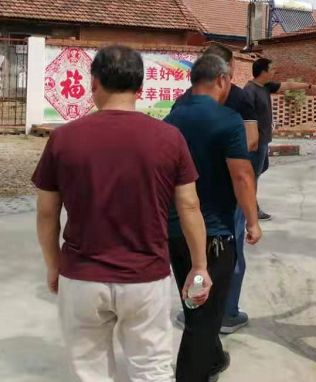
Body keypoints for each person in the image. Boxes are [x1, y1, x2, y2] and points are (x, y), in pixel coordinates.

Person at [33, 45, 211, 382]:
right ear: (141, 87)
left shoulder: (63, 139)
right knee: (152, 370)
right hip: (146, 278)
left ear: (94, 82)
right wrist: (199, 266)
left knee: (90, 372)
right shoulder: (169, 138)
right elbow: (189, 205)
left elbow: (46, 213)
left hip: (83, 276)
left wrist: (54, 265)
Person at [165, 54, 263, 382]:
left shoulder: (172, 118)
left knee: (197, 307)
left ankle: (214, 360)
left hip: (176, 232)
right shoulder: (227, 120)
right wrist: (252, 220)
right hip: (214, 236)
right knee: (203, 320)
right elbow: (242, 176)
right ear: (222, 80)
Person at [226, 57, 316, 328]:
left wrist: (306, 85)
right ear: (263, 71)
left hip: (264, 141)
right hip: (254, 145)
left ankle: (252, 203)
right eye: (271, 69)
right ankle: (250, 207)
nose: (274, 73)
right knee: (251, 177)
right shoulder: (249, 92)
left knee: (260, 171)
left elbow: (287, 85)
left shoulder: (265, 87)